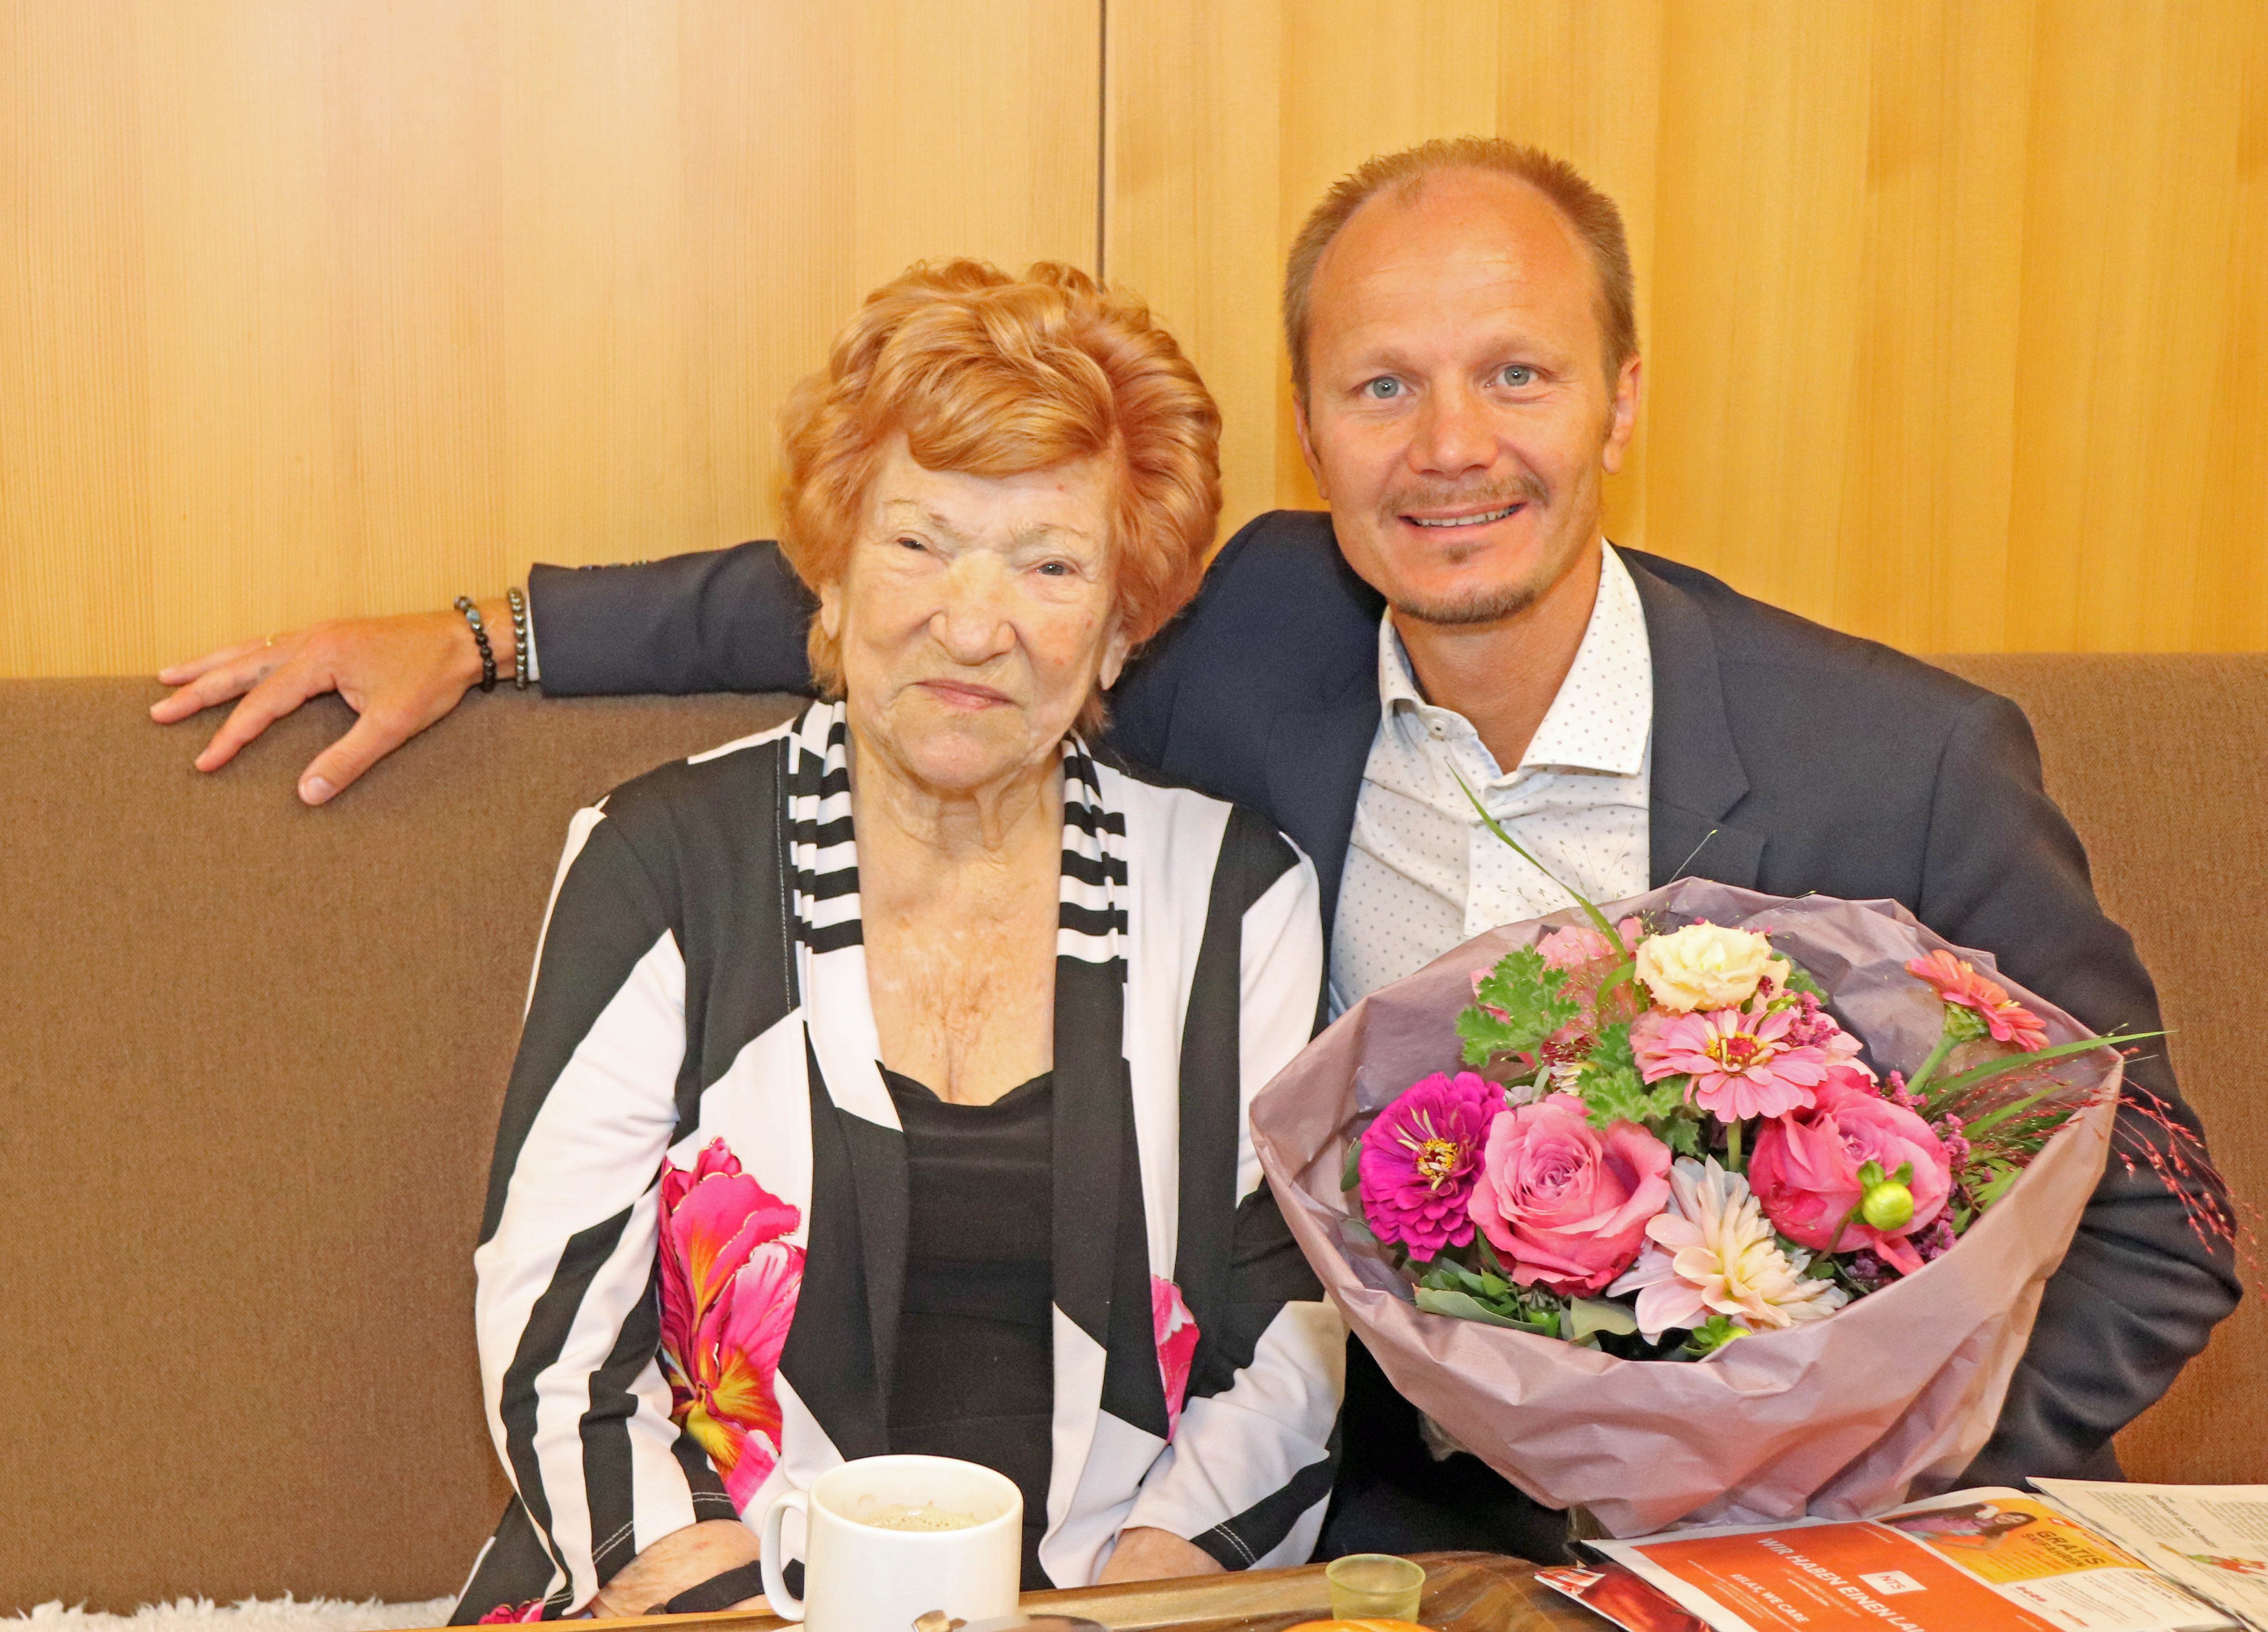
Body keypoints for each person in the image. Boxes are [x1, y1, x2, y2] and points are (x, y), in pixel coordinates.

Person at [157, 138, 2238, 1560]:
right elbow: (917, 573)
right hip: (1371, 1539)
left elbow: (2162, 1221)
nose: (1450, 447)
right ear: (1313, 430)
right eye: (1381, 386)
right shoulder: (1252, 640)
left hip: (1767, 1542)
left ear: (1620, 402)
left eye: (1517, 374)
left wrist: (1833, 1492)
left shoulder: (1895, 761)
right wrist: (489, 635)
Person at [449, 261, 1343, 1621]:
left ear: (1121, 627)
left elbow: (1291, 1344)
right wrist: (724, 1605)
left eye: (1051, 566)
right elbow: (556, 1339)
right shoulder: (664, 861)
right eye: (919, 544)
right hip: (702, 1595)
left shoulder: (1238, 897)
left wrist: (1132, 1611)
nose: (971, 626)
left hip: (1103, 1606)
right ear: (830, 575)